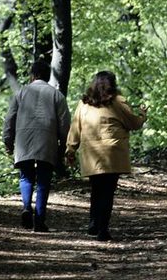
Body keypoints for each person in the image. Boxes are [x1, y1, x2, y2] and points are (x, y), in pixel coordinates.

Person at [65, 71, 147, 241]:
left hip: (91, 154)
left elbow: (75, 128)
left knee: (96, 189)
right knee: (107, 192)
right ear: (112, 84)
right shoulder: (117, 101)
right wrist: (143, 115)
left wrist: (70, 149)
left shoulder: (84, 103)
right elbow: (133, 123)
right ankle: (103, 229)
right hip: (112, 153)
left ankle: (93, 224)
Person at [3, 59, 70, 232]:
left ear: (32, 75)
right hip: (47, 141)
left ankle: (26, 206)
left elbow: (10, 118)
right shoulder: (56, 95)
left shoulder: (21, 93)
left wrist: (8, 140)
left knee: (25, 176)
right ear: (47, 76)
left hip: (24, 140)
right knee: (43, 180)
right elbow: (64, 124)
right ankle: (39, 221)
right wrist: (65, 145)